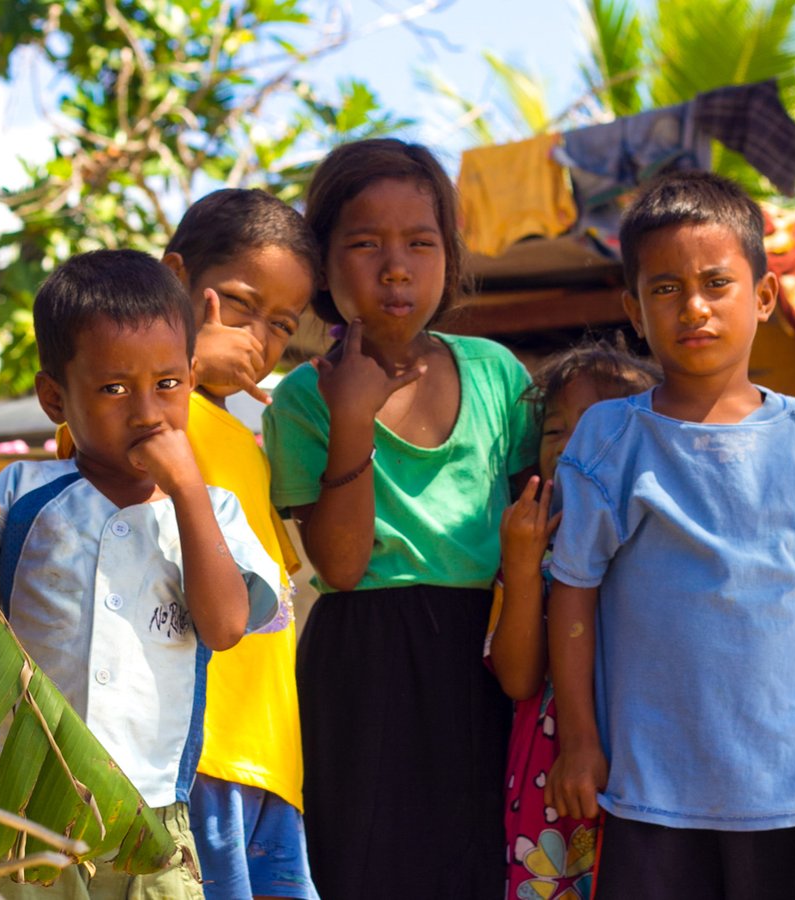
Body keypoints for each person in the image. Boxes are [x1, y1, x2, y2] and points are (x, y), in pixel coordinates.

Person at [544, 170, 795, 900]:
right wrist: (579, 742)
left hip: (787, 789)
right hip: (647, 790)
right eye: (664, 289)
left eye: (715, 283)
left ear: (763, 297)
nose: (692, 307)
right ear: (634, 310)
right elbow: (571, 594)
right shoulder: (611, 441)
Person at [261, 138, 540, 900]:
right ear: (322, 263)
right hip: (363, 667)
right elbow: (342, 567)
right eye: (364, 244)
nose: (395, 267)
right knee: (366, 865)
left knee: (483, 862)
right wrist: (351, 416)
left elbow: (536, 532)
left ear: (449, 255)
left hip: (487, 659)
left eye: (421, 243)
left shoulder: (497, 375)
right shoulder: (301, 400)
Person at [0, 249, 282, 899]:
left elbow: (224, 627)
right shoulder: (21, 493)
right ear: (54, 396)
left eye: (168, 385)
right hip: (33, 807)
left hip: (155, 811)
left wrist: (189, 491)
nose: (146, 411)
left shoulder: (214, 510)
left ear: (191, 382)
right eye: (113, 388)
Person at [159, 189, 321, 900]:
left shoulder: (248, 441)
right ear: (176, 281)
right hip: (197, 755)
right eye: (241, 305)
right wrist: (180, 367)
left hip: (269, 760)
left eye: (282, 324)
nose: (259, 337)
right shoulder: (150, 406)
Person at [488, 339, 660, 900]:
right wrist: (519, 565)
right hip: (553, 776)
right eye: (555, 431)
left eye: (592, 425)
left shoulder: (660, 540)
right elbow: (517, 678)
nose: (566, 447)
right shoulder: (529, 545)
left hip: (651, 768)